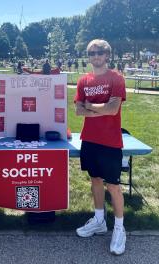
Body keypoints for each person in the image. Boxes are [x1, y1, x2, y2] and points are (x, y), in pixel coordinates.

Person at [74, 39, 126, 255]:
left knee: (112, 186)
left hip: (111, 141)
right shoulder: (83, 80)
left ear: (107, 55)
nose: (95, 56)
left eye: (99, 52)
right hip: (90, 139)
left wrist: (91, 106)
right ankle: (99, 220)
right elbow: (78, 110)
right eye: (91, 52)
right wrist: (99, 108)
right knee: (95, 180)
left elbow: (113, 109)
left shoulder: (116, 78)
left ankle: (120, 228)